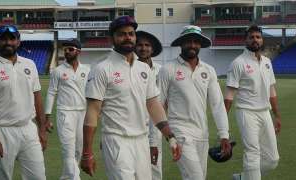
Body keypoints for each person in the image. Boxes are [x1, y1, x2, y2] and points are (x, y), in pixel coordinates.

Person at [80, 16, 181, 180]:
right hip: (116, 141)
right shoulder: (102, 69)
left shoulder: (144, 69)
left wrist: (170, 136)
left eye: (131, 34)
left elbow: (153, 104)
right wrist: (87, 153)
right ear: (111, 38)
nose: (128, 37)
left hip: (142, 140)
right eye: (122, 34)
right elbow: (92, 112)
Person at [158, 25, 232, 180]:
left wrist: (224, 135)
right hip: (179, 131)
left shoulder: (209, 70)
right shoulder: (168, 69)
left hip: (202, 133)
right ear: (181, 43)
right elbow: (158, 105)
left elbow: (217, 105)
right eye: (188, 41)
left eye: (196, 41)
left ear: (200, 44)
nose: (192, 45)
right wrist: (164, 137)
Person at [0, 25, 48, 180]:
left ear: (18, 42)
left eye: (12, 38)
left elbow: (37, 97)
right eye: (3, 39)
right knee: (3, 177)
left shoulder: (30, 64)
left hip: (28, 129)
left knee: (38, 176)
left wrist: (41, 129)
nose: (8, 42)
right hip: (2, 130)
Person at [224, 25, 280, 180]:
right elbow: (229, 95)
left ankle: (243, 177)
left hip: (265, 113)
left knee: (272, 159)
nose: (255, 40)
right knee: (253, 153)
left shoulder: (267, 62)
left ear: (262, 40)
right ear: (246, 40)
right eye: (251, 37)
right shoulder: (238, 63)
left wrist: (277, 116)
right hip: (246, 112)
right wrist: (223, 125)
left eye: (258, 37)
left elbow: (271, 91)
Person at [45, 38, 90, 180]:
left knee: (78, 150)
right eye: (65, 49)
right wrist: (47, 117)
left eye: (70, 49)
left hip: (82, 113)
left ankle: (66, 177)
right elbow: (51, 92)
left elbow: (92, 92)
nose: (67, 52)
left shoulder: (87, 70)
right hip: (65, 113)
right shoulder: (58, 71)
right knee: (68, 150)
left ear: (79, 52)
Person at [135, 30, 163, 180]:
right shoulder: (129, 68)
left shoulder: (160, 70)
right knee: (135, 170)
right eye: (139, 45)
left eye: (147, 45)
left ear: (152, 49)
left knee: (155, 168)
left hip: (156, 124)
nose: (143, 48)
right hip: (135, 125)